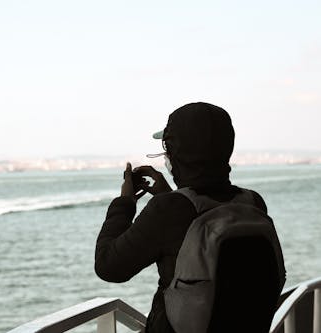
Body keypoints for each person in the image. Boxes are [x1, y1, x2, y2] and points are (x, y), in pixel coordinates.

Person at [94, 102, 284, 333]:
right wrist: (170, 196)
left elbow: (109, 266)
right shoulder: (252, 202)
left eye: (167, 150)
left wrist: (125, 202)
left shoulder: (169, 209)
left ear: (176, 153)